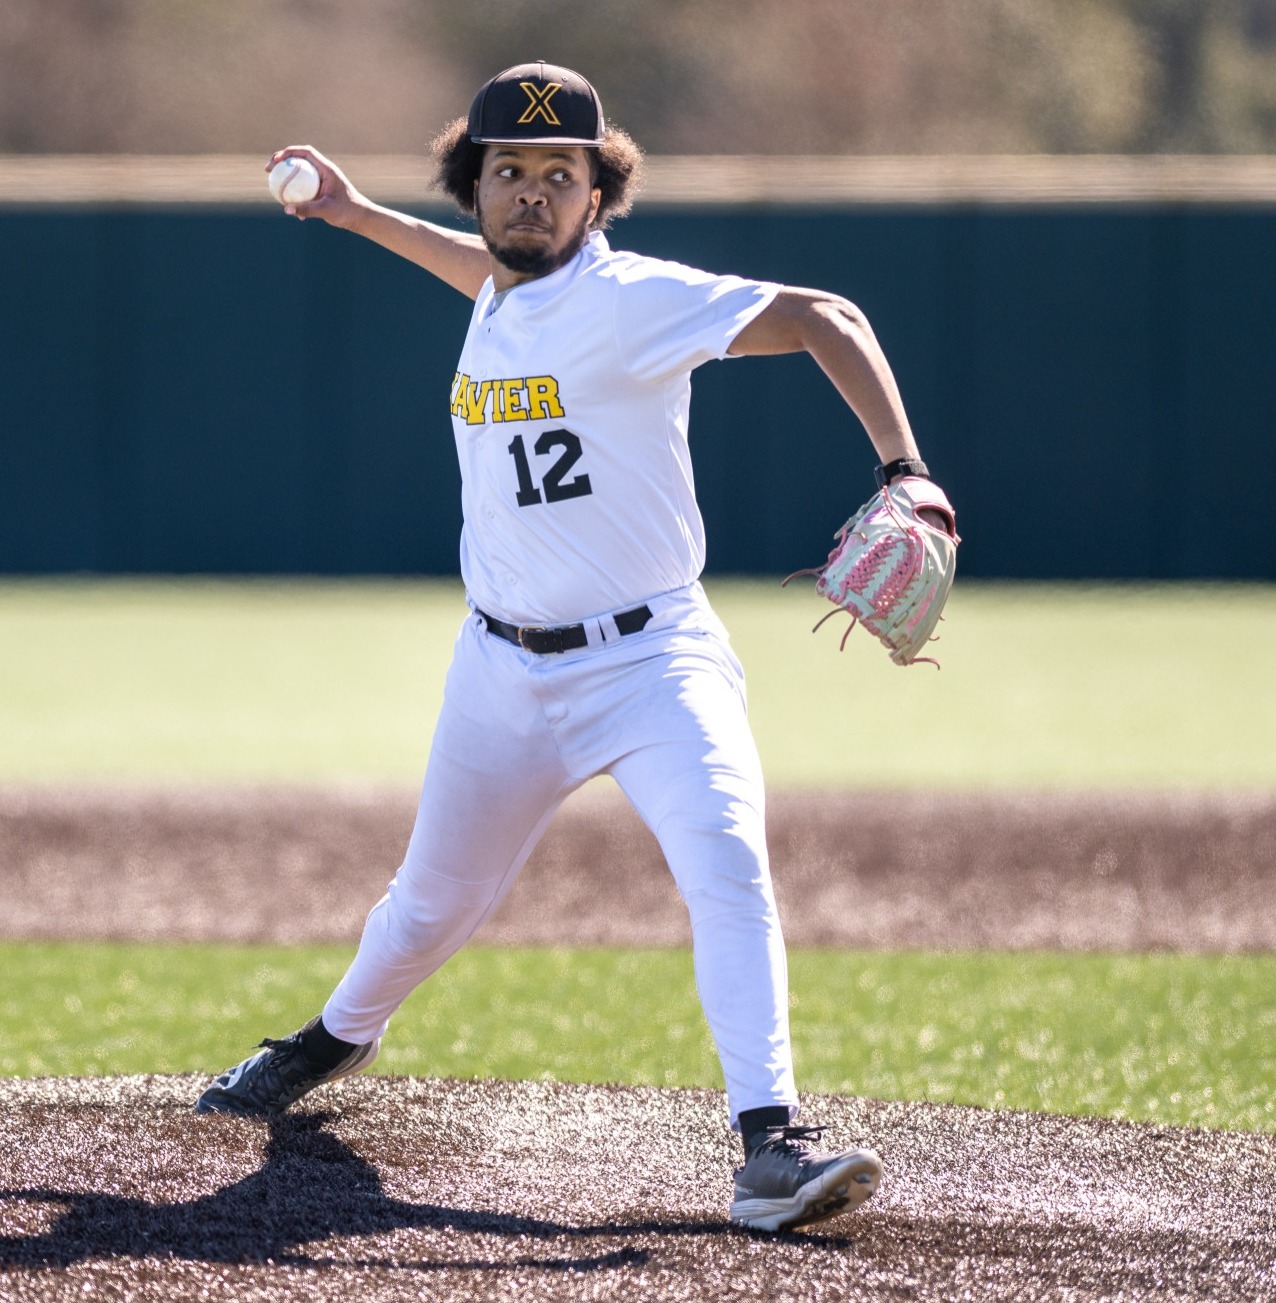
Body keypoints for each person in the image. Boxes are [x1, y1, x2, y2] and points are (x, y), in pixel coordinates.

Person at [196, 61, 950, 1233]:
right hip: (500, 671)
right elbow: (482, 275)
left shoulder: (635, 300)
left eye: (563, 173)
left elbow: (824, 318)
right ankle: (326, 1040)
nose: (534, 193)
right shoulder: (503, 290)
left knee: (725, 858)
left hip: (652, 661)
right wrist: (352, 215)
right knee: (427, 906)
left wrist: (905, 470)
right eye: (510, 171)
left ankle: (769, 1144)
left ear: (600, 195)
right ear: (476, 187)